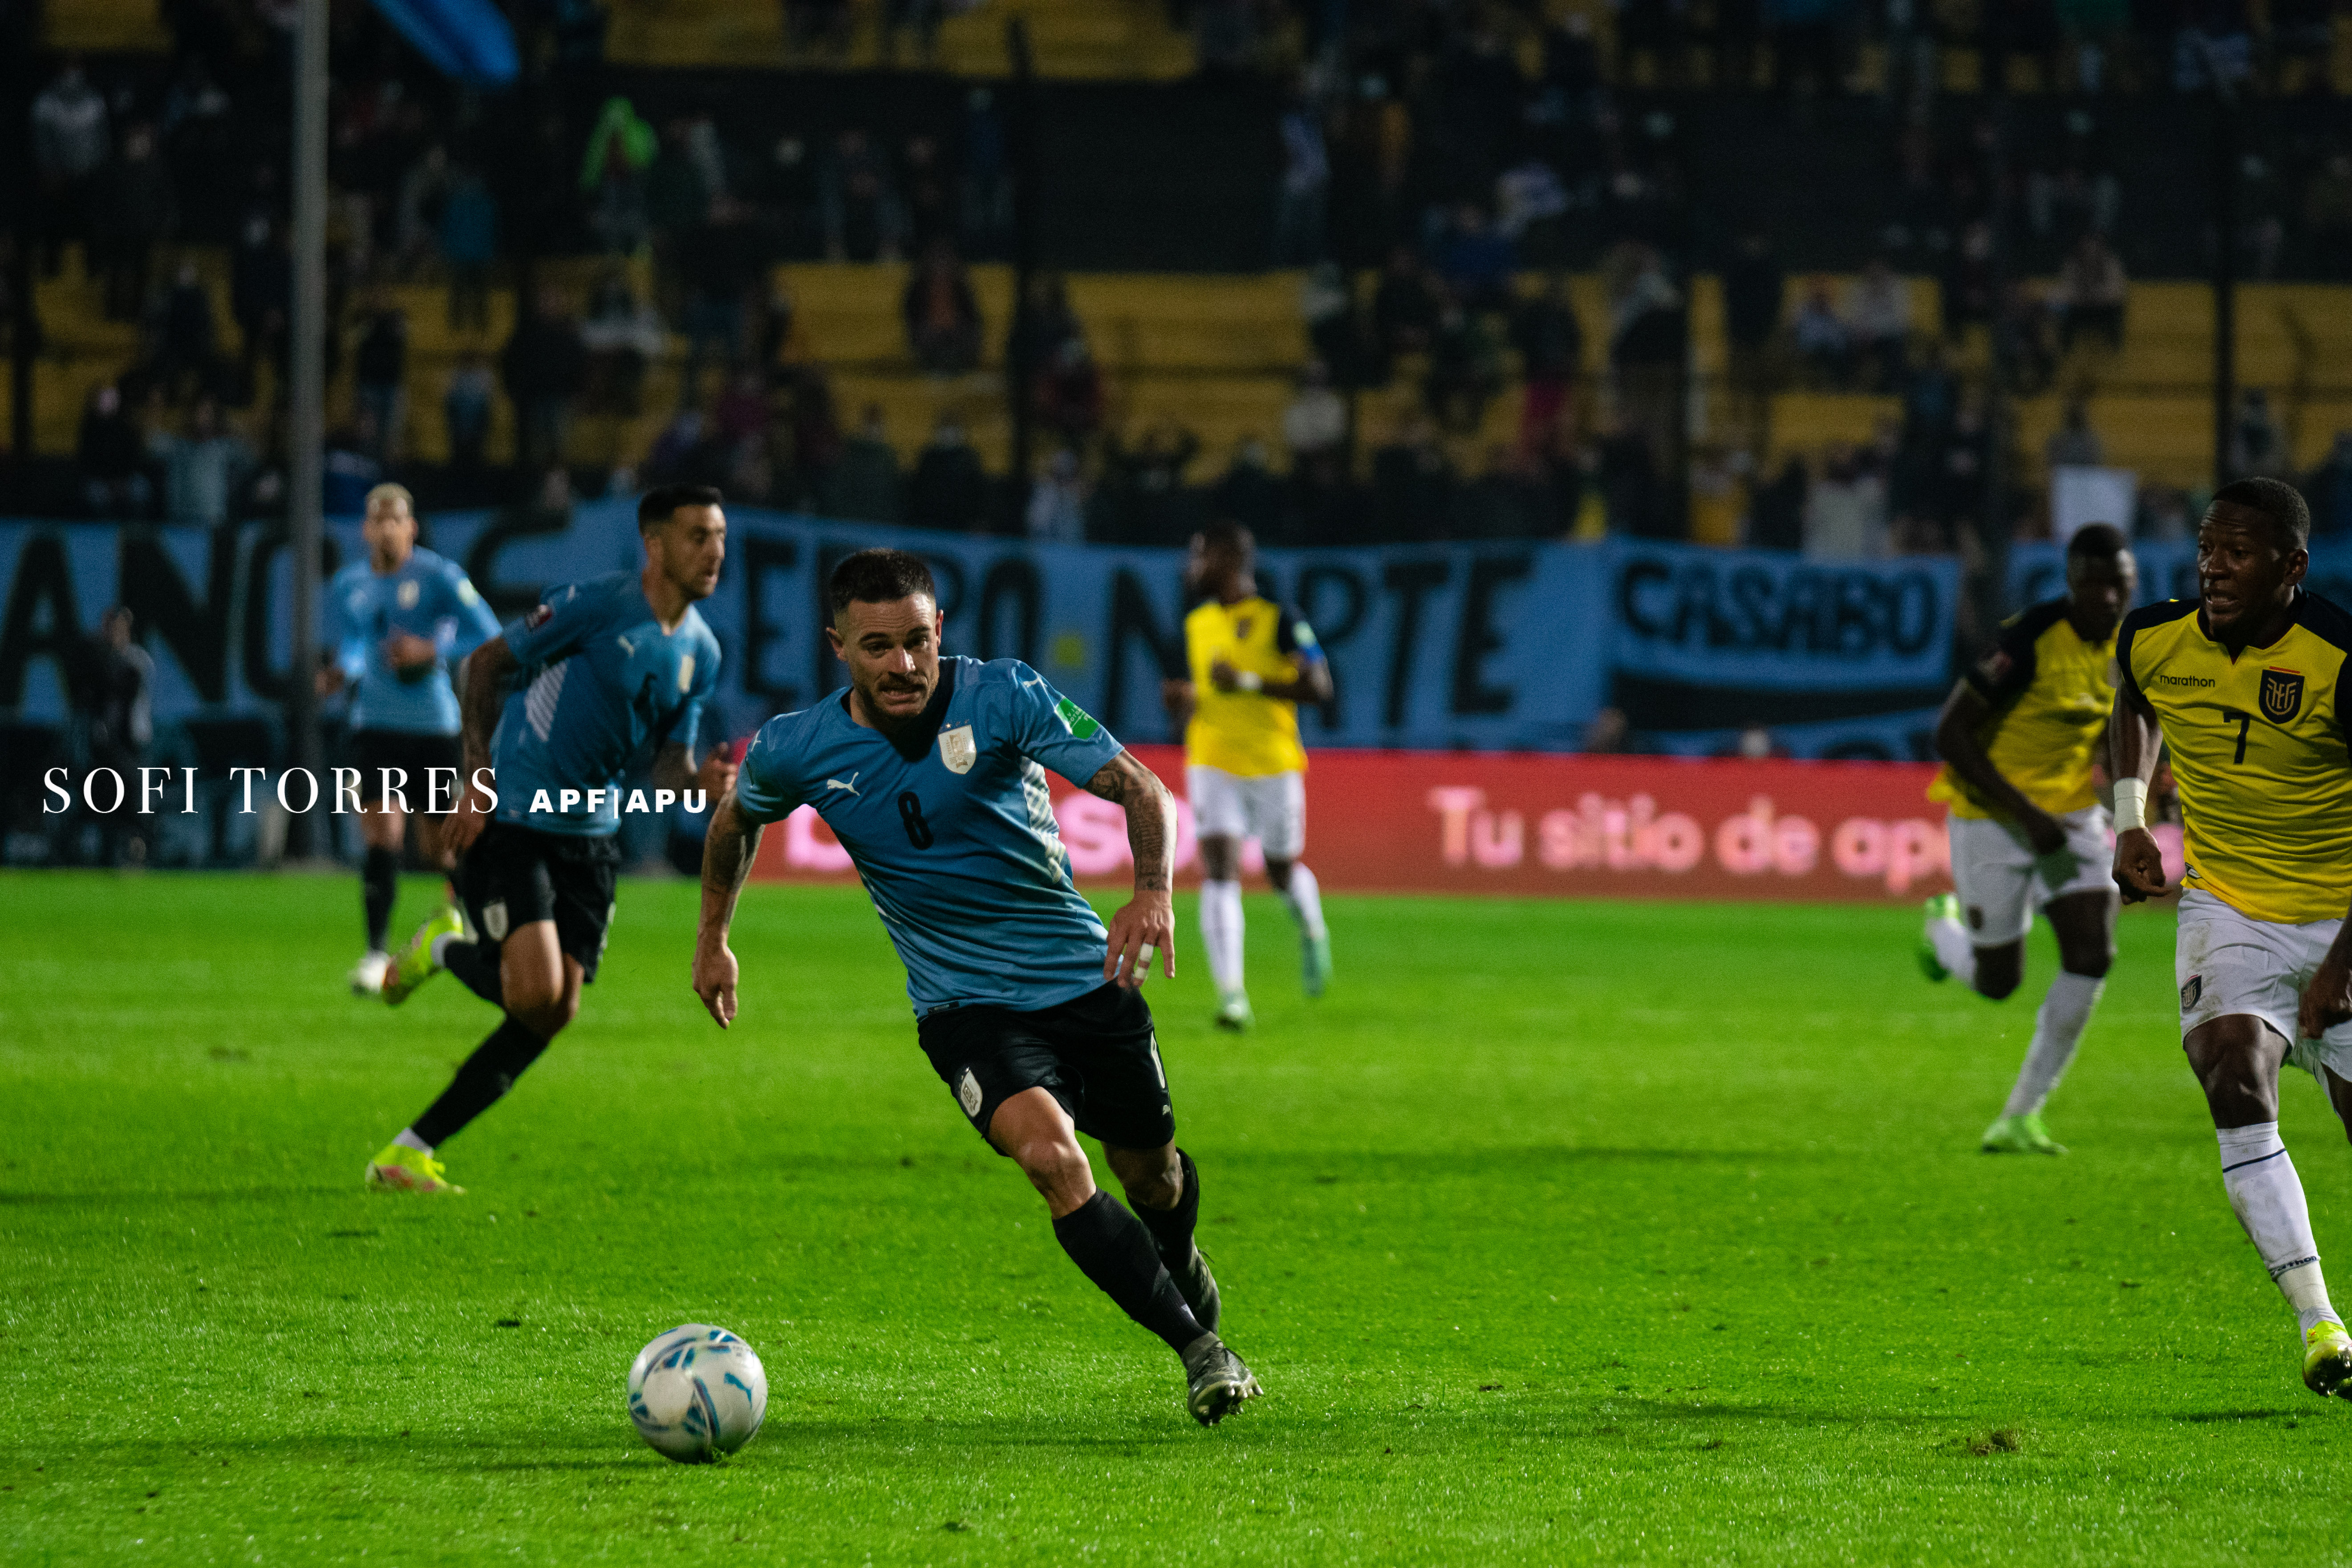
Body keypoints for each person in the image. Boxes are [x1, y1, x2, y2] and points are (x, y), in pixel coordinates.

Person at [692, 549, 1262, 1427]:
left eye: (916, 641)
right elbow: (735, 821)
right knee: (1050, 1158)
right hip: (965, 1010)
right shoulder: (797, 747)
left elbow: (1137, 786)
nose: (902, 665)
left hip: (1084, 982)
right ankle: (1199, 1350)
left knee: (1150, 1175)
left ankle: (1176, 1253)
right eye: (877, 646)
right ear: (838, 645)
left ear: (938, 634)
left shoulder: (1004, 696)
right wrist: (714, 940)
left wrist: (1151, 889)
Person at [363, 484, 736, 1194]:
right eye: (697, 535)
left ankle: (408, 1150)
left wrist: (704, 785)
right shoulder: (599, 604)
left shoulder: (703, 652)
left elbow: (667, 771)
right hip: (517, 819)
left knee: (556, 1008)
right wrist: (477, 780)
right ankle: (443, 946)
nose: (715, 551)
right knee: (533, 991)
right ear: (654, 544)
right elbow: (481, 666)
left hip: (594, 835)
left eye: (720, 535)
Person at [2110, 478, 2352, 1401]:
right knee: (2228, 1067)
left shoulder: (2335, 658)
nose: (2212, 565)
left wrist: (2338, 966)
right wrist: (2131, 818)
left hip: (2340, 909)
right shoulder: (2153, 637)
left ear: (2289, 568)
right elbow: (2130, 699)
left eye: (2237, 552)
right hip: (2229, 908)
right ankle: (2319, 1325)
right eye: (2206, 547)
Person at [1918, 524, 2137, 1155]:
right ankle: (1941, 931)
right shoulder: (2029, 640)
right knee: (1998, 981)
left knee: (2092, 952)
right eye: (2094, 583)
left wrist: (2137, 785)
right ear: (2071, 581)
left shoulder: (2128, 646)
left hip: (2067, 815)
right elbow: (1952, 734)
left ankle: (2021, 1115)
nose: (2106, 596)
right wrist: (2025, 813)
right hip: (1992, 815)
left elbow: (2107, 725)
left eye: (2117, 584)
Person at [320, 485, 503, 994]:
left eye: (393, 519)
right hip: (374, 725)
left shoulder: (439, 577)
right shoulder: (349, 583)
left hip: (432, 727)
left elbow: (487, 634)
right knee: (382, 836)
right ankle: (375, 954)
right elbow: (357, 641)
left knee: (442, 850)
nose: (383, 529)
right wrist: (344, 669)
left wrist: (431, 647)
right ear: (364, 528)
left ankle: (483, 937)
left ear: (411, 527)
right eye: (375, 520)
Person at [1160, 523, 1334, 1031]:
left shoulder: (1281, 620)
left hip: (1273, 762)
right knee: (1220, 870)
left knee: (1281, 871)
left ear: (1229, 559)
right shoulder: (1195, 625)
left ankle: (1311, 928)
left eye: (1199, 558)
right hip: (1212, 759)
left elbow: (1320, 687)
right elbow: (1195, 704)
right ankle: (1232, 997)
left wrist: (1249, 683)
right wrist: (1181, 704)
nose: (1191, 569)